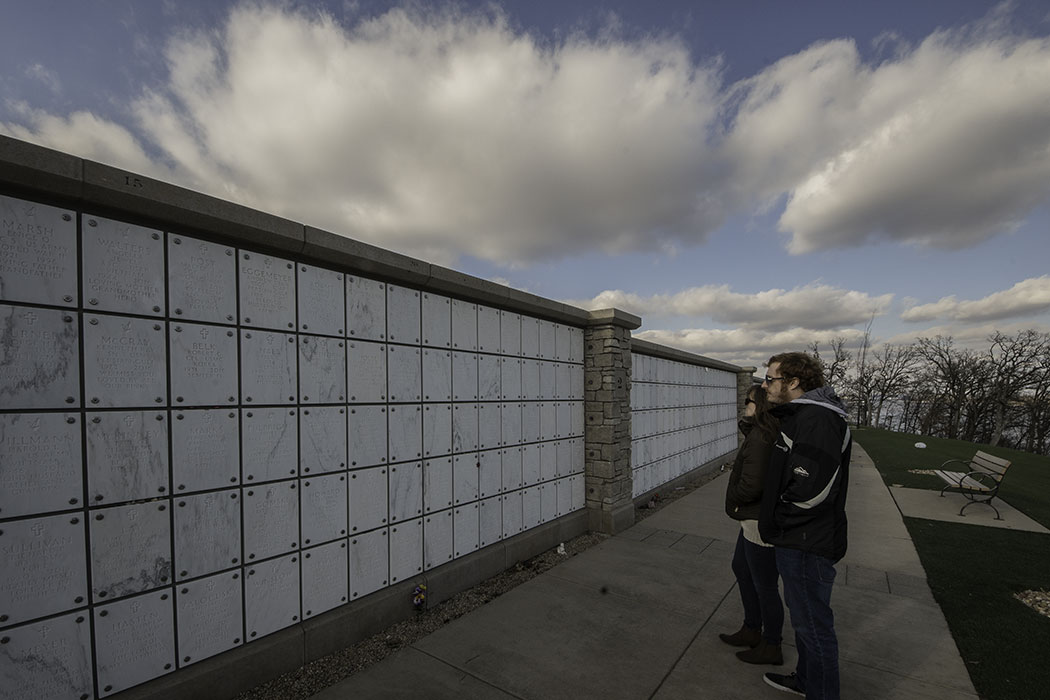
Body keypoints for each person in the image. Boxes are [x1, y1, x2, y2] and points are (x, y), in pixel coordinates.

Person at [758, 352, 852, 700]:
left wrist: (780, 516)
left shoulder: (817, 419)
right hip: (798, 536)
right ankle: (808, 681)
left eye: (770, 379)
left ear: (793, 382)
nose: (764, 384)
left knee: (814, 625)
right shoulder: (805, 416)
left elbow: (813, 487)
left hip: (806, 540)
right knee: (803, 621)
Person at [719, 385, 785, 665]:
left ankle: (771, 644)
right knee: (741, 567)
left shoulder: (761, 437)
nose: (744, 406)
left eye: (747, 401)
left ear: (758, 405)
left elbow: (753, 485)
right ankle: (751, 628)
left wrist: (734, 498)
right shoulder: (758, 433)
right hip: (750, 519)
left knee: (765, 584)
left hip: (758, 520)